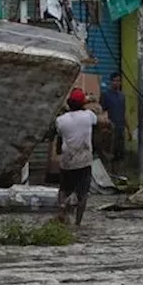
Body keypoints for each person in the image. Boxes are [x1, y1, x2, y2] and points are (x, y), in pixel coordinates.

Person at [52, 89, 98, 226]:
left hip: (67, 160)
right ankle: (78, 223)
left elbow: (58, 133)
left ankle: (62, 210)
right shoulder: (88, 116)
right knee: (83, 193)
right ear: (82, 103)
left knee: (64, 189)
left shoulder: (61, 120)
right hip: (83, 159)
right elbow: (96, 120)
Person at [100, 73, 128, 173]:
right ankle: (109, 175)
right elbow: (102, 113)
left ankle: (118, 175)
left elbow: (124, 113)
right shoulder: (106, 95)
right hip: (110, 130)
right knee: (109, 154)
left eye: (118, 81)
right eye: (114, 80)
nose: (116, 83)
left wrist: (128, 130)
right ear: (111, 82)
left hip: (120, 129)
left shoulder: (122, 96)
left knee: (120, 154)